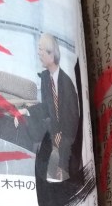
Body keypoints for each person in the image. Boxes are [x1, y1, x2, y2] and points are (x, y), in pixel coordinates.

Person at [34, 33, 80, 180]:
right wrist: (26, 111)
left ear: (51, 54)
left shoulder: (66, 84)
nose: (38, 53)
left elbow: (72, 124)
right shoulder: (45, 77)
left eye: (41, 49)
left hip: (67, 133)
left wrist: (62, 162)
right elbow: (46, 109)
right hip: (53, 128)